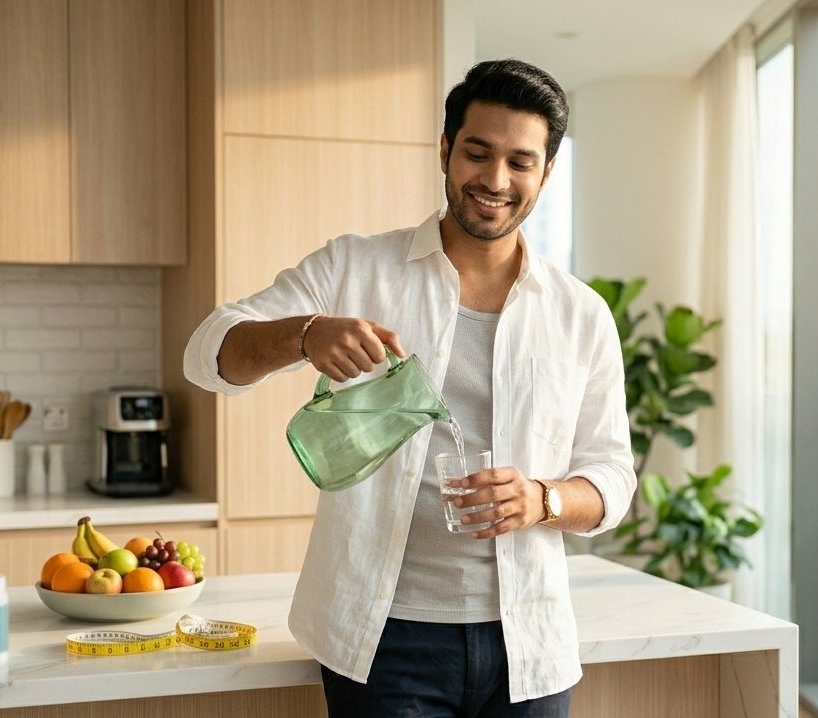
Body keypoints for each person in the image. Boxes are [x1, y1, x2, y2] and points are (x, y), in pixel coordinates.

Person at [184, 59, 634, 717]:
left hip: (529, 644)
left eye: (520, 162)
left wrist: (543, 499)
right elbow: (208, 352)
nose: (495, 179)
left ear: (546, 173)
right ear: (445, 149)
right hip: (385, 644)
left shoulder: (580, 313)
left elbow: (612, 478)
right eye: (477, 152)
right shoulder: (355, 267)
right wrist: (303, 334)